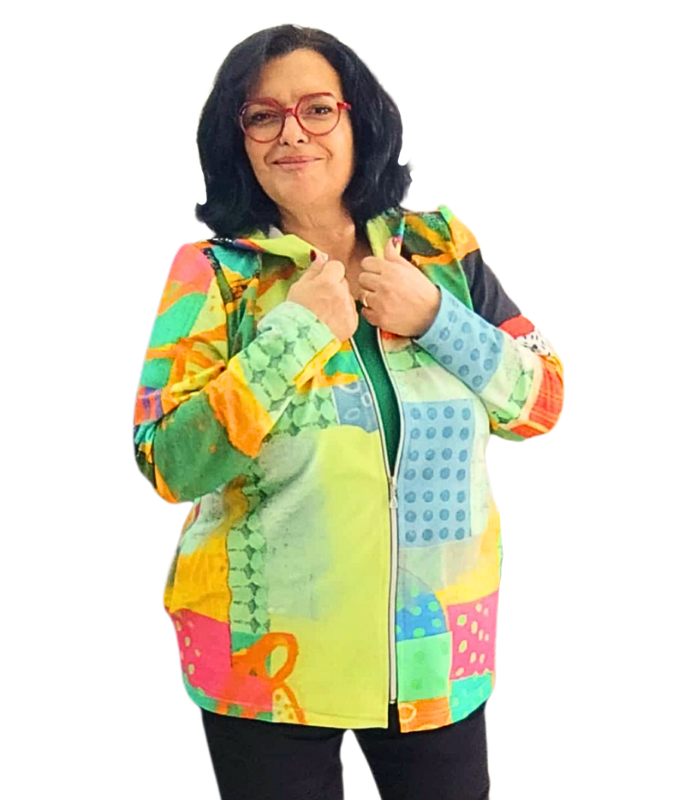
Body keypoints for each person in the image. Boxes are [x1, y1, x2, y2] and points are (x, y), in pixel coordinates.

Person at [133, 23, 564, 800]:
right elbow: (170, 461)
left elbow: (541, 403)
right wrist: (295, 334)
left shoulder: (440, 250)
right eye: (261, 116)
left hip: (433, 648)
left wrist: (436, 316)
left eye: (317, 108)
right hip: (264, 661)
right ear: (237, 140)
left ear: (359, 119)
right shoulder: (215, 276)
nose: (291, 132)